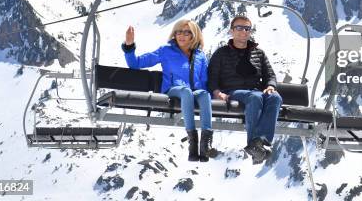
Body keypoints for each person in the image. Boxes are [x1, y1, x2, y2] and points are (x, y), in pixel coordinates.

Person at [121, 19, 214, 162]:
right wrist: (129, 45)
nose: (181, 35)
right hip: (173, 90)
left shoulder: (200, 56)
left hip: (193, 92)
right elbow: (136, 63)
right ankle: (192, 142)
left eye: (186, 32)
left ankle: (205, 143)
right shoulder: (166, 51)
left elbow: (204, 80)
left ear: (194, 35)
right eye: (178, 32)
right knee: (186, 92)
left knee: (205, 94)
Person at [208, 15, 282, 164]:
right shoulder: (221, 53)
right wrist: (217, 92)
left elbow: (270, 74)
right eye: (239, 28)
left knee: (275, 98)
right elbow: (212, 77)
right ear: (231, 31)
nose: (243, 31)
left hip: (256, 90)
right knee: (254, 97)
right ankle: (255, 143)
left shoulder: (258, 53)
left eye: (247, 28)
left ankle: (259, 142)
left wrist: (270, 86)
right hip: (233, 91)